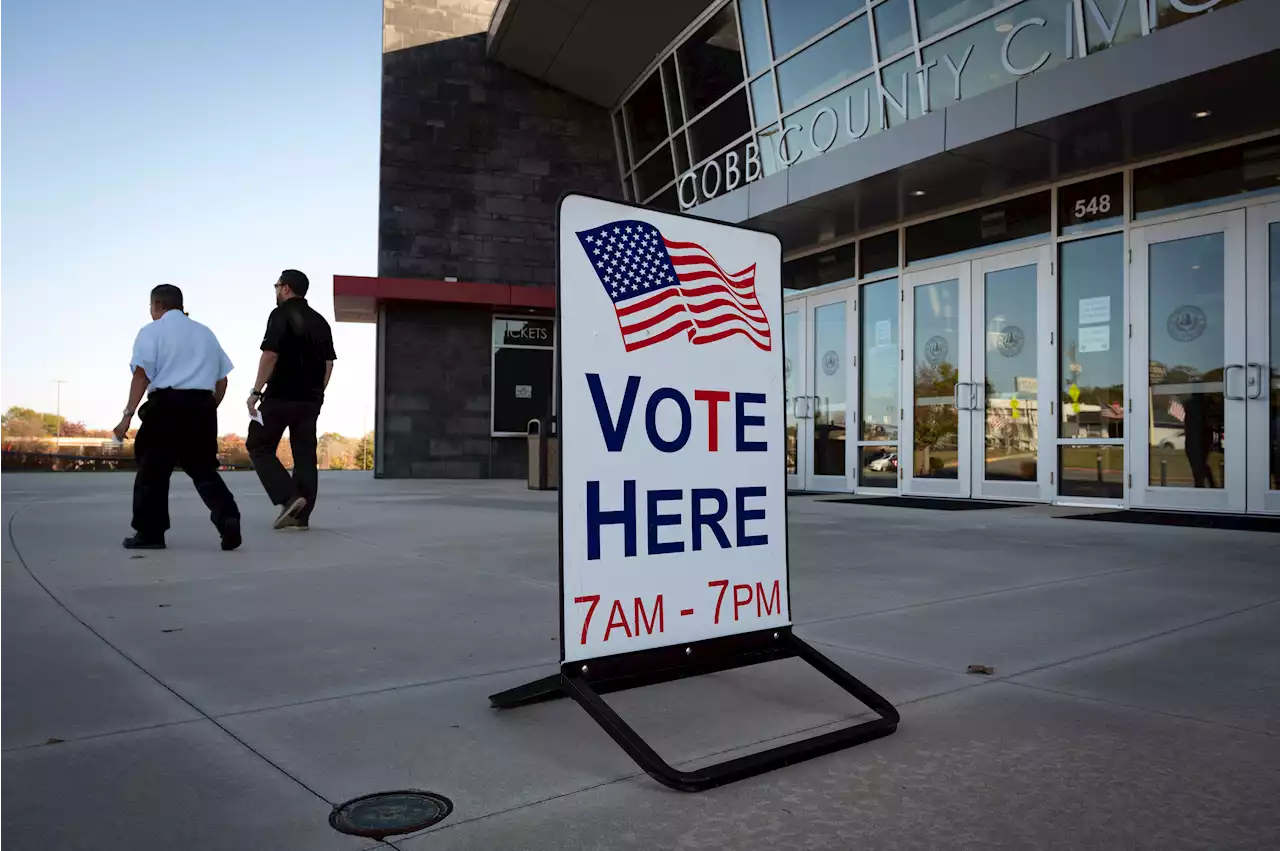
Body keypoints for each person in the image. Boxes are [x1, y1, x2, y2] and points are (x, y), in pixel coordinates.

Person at [114, 285, 242, 550]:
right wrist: (208, 407)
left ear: (156, 305)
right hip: (201, 406)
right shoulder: (205, 333)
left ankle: (150, 534)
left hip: (166, 406)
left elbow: (141, 375)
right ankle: (227, 516)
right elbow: (222, 380)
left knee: (153, 471)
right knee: (204, 470)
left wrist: (127, 415)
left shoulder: (152, 331)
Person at [246, 269, 336, 530]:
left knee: (258, 444)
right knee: (305, 455)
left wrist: (255, 391)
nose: (275, 291)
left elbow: (270, 355)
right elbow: (328, 363)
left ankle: (289, 497)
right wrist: (318, 393)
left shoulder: (280, 314)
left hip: (280, 397)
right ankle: (301, 517)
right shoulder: (321, 321)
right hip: (310, 400)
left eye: (276, 286)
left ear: (286, 288)